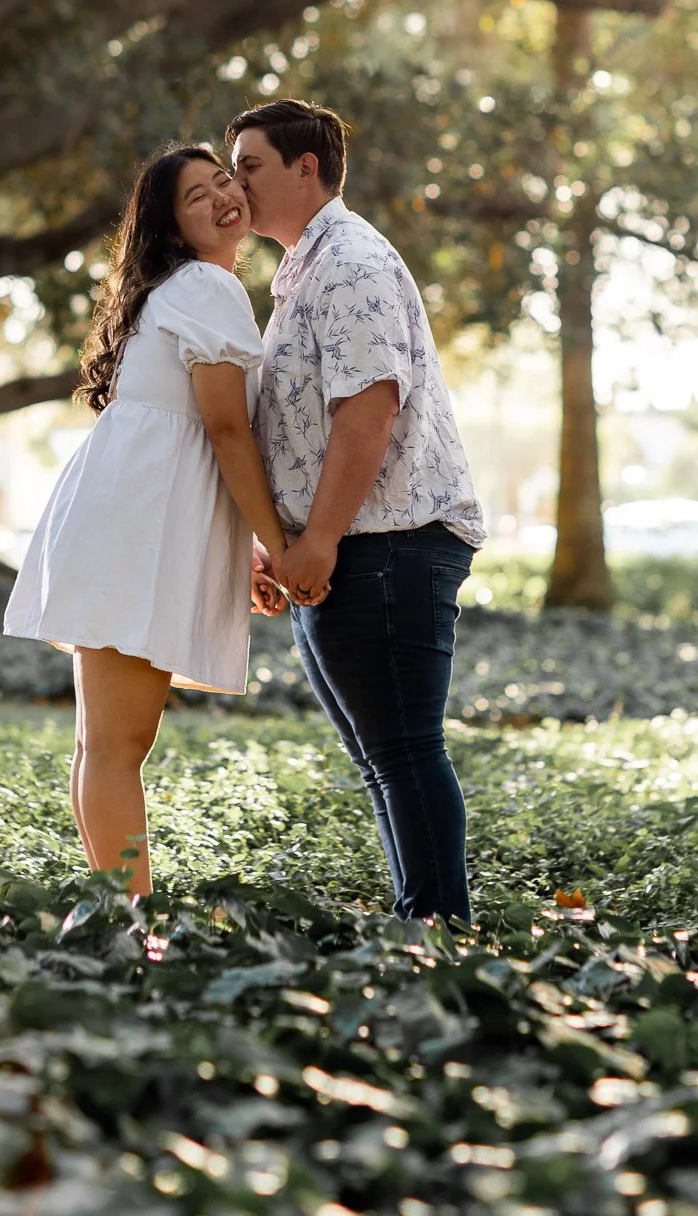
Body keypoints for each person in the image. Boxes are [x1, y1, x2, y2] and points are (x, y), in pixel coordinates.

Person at [3, 146, 288, 897]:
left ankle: (116, 916)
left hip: (123, 512)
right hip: (136, 522)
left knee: (104, 745)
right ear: (170, 228)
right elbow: (227, 432)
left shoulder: (181, 289)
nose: (225, 197)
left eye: (225, 181)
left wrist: (246, 549)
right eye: (199, 196)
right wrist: (277, 543)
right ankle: (131, 924)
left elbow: (211, 433)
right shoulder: (205, 287)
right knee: (117, 745)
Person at [228, 99, 484, 923]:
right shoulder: (302, 264)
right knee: (384, 756)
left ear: (308, 168)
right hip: (350, 544)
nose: (235, 186)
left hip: (388, 542)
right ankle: (424, 929)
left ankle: (438, 935)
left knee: (404, 751)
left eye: (250, 166)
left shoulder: (351, 262)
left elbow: (367, 409)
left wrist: (322, 541)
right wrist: (282, 543)